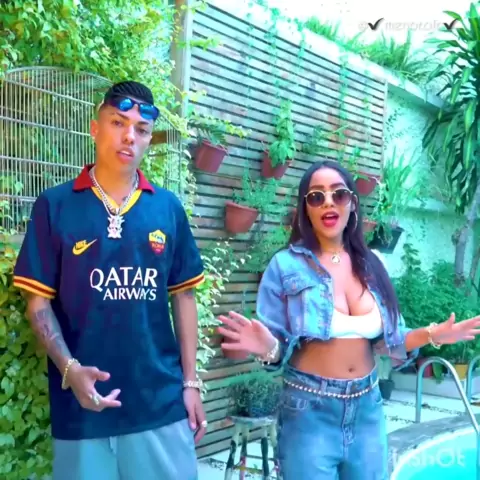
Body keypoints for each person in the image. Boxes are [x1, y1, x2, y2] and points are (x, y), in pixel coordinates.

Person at [218, 160, 480, 479]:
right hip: (309, 410)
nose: (328, 202)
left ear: (352, 204)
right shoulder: (285, 265)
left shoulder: (373, 264)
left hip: (367, 407)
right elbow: (278, 348)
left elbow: (391, 340)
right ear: (306, 209)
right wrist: (267, 347)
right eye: (317, 196)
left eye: (338, 194)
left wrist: (434, 334)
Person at [13, 81, 206, 480]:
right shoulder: (55, 205)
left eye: (141, 129)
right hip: (81, 411)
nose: (129, 136)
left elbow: (184, 297)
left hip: (160, 405)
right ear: (95, 128)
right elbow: (38, 305)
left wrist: (190, 383)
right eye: (118, 122)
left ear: (149, 139)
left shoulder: (167, 208)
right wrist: (69, 369)